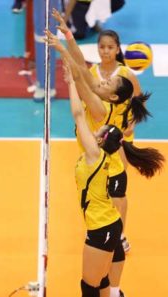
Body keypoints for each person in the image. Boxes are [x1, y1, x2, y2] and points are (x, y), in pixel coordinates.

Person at [45, 16, 151, 296]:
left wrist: (63, 49)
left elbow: (83, 86)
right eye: (101, 46)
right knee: (108, 226)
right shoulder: (106, 92)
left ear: (117, 49)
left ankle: (115, 273)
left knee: (113, 226)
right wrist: (67, 38)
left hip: (108, 159)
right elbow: (83, 72)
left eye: (109, 47)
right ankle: (113, 251)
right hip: (102, 152)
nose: (104, 51)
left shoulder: (110, 97)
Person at [63, 61, 164, 297]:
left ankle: (115, 291)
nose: (93, 130)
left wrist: (71, 81)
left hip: (102, 228)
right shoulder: (101, 154)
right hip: (107, 224)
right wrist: (71, 81)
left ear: (99, 141)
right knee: (101, 280)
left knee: (90, 286)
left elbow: (78, 115)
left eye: (97, 131)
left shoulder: (94, 156)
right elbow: (80, 115)